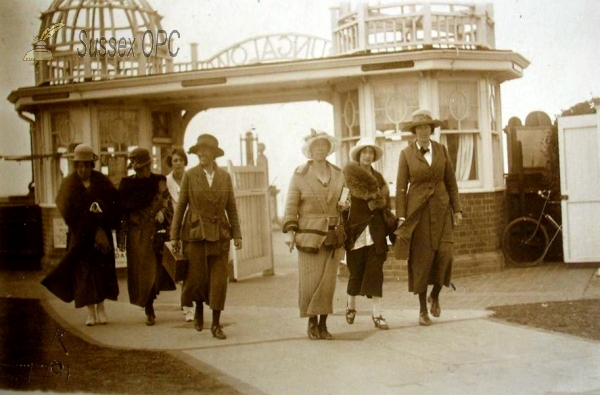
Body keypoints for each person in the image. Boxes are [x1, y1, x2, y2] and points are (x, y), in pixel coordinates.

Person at [170, 134, 242, 340]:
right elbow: (181, 205)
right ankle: (199, 308)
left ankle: (217, 324)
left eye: (206, 150)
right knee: (197, 278)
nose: (202, 154)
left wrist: (237, 234)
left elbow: (231, 207)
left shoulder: (224, 177)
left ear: (213, 154)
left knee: (219, 280)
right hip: (195, 234)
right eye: (199, 151)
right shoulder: (190, 175)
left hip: (220, 234)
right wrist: (174, 236)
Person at [395, 110, 463, 326]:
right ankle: (423, 310)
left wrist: (457, 209)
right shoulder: (406, 154)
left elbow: (450, 181)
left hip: (442, 211)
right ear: (414, 131)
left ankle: (435, 295)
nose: (423, 131)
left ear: (431, 130)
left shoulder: (441, 150)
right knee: (422, 260)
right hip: (418, 213)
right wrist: (401, 216)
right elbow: (400, 187)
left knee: (446, 255)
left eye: (426, 127)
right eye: (419, 128)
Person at [42, 144, 120, 326]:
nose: (83, 169)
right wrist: (81, 219)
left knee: (101, 272)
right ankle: (91, 313)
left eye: (86, 165)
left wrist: (101, 209)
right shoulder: (69, 183)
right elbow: (62, 204)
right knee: (84, 275)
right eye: (79, 166)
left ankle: (101, 310)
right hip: (80, 237)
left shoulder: (101, 181)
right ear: (75, 166)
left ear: (92, 165)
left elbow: (114, 202)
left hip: (100, 236)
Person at [283, 129, 348, 340]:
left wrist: (345, 204)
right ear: (310, 149)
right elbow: (291, 205)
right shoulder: (299, 175)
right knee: (311, 282)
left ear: (329, 149)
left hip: (333, 235)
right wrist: (290, 232)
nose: (320, 149)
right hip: (309, 236)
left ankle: (323, 324)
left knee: (328, 283)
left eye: (324, 145)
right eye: (316, 146)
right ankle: (311, 322)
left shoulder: (339, 174)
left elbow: (347, 200)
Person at [118, 148, 176, 326]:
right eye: (139, 168)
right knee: (142, 274)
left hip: (155, 234)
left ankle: (150, 305)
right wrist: (122, 238)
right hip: (136, 235)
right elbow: (123, 214)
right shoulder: (126, 185)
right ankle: (148, 307)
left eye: (146, 167)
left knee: (154, 272)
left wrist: (163, 213)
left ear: (150, 165)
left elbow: (169, 205)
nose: (144, 171)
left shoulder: (159, 181)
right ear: (134, 169)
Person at [343, 137, 392, 330]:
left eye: (371, 152)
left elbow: (385, 203)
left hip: (375, 230)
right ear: (358, 154)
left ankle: (377, 314)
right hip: (356, 230)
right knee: (356, 271)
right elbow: (342, 200)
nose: (367, 156)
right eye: (364, 152)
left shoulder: (378, 178)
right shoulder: (348, 175)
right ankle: (350, 305)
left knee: (375, 272)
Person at [165, 148, 193, 322]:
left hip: (191, 228)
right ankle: (187, 304)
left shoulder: (191, 179)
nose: (178, 163)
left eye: (181, 160)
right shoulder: (166, 182)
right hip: (174, 229)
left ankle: (189, 306)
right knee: (180, 267)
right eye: (175, 160)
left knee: (191, 268)